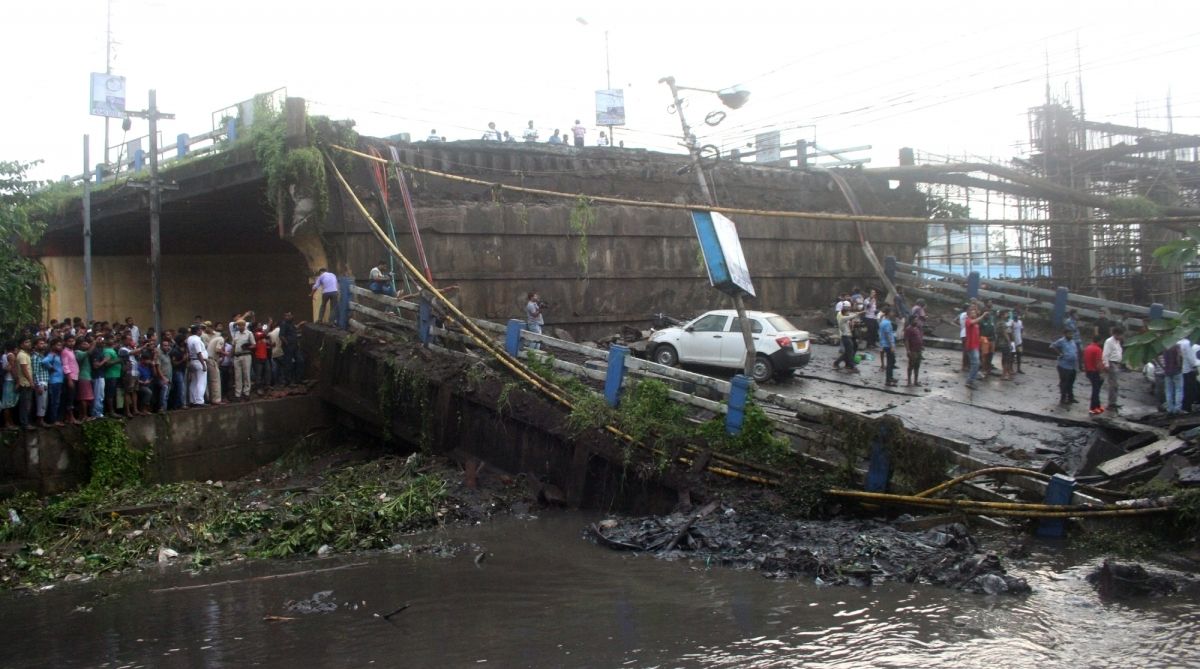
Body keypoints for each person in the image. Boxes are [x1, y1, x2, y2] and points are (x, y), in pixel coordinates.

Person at [1051, 328, 1079, 406]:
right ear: (1065, 334)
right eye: (1069, 334)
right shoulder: (1061, 341)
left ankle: (1070, 397)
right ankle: (1063, 398)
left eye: (1072, 334)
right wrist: (1060, 354)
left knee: (1071, 382)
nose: (1071, 335)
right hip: (1064, 366)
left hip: (1072, 366)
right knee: (1064, 382)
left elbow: (1075, 352)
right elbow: (1052, 346)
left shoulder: (1073, 341)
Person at [834, 303, 864, 372]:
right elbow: (851, 316)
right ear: (845, 312)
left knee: (848, 352)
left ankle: (837, 363)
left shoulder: (845, 319)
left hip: (848, 337)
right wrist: (858, 313)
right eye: (847, 312)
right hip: (846, 337)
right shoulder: (843, 318)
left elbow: (851, 318)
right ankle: (852, 366)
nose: (848, 313)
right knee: (850, 352)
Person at [1101, 326, 1125, 414]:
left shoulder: (1118, 342)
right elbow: (1105, 354)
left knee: (1115, 385)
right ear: (1116, 334)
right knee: (1113, 385)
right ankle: (1111, 403)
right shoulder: (1109, 341)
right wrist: (1106, 365)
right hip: (1112, 363)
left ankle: (1113, 402)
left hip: (1116, 363)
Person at [41, 339, 64, 427]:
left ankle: (54, 419)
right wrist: (51, 368)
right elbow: (44, 361)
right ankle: (53, 420)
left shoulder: (58, 355)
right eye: (58, 345)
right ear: (53, 346)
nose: (60, 347)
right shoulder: (52, 355)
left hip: (59, 381)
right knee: (55, 401)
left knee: (56, 401)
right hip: (54, 381)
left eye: (60, 345)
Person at [230, 320, 255, 400]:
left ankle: (246, 393)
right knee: (237, 376)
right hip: (237, 356)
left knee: (246, 374)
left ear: (244, 325)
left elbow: (254, 345)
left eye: (241, 325)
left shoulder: (249, 333)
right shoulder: (236, 334)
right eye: (238, 325)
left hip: (246, 355)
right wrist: (232, 355)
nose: (240, 326)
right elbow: (233, 345)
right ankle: (238, 394)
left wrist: (248, 347)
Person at [185, 325, 208, 406]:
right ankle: (199, 401)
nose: (201, 331)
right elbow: (199, 353)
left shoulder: (189, 339)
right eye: (201, 329)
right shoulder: (197, 340)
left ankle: (192, 400)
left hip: (192, 360)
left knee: (194, 381)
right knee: (201, 382)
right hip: (199, 361)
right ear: (198, 331)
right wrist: (203, 365)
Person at [1083, 335, 1105, 415]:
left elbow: (1084, 360)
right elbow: (1098, 362)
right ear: (1099, 341)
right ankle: (1092, 408)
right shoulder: (1098, 349)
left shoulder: (1087, 348)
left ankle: (1098, 406)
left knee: (1096, 389)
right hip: (1095, 372)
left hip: (1089, 370)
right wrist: (1101, 373)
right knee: (1096, 390)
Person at [963, 305, 984, 389]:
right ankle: (969, 381)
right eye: (972, 313)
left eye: (974, 313)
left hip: (975, 346)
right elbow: (973, 322)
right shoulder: (968, 321)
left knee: (975, 364)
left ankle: (971, 380)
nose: (973, 314)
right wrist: (982, 316)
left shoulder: (976, 324)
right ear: (969, 314)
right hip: (971, 346)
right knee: (975, 364)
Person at [15, 338, 34, 430]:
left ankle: (26, 422)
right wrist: (31, 381)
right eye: (26, 342)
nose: (29, 343)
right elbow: (24, 369)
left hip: (27, 383)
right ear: (21, 345)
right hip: (25, 383)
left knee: (27, 404)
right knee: (25, 404)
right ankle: (25, 424)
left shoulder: (25, 354)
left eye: (29, 342)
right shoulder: (22, 355)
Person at [75, 338, 95, 421]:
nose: (87, 345)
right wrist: (94, 343)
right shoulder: (78, 352)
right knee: (84, 397)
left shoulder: (83, 353)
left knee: (86, 398)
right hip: (83, 377)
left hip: (86, 376)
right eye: (84, 344)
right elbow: (89, 352)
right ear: (79, 345)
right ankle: (84, 416)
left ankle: (83, 415)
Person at [1163, 340, 1185, 415]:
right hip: (1176, 371)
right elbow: (1179, 358)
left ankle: (1170, 408)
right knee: (1178, 390)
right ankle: (1177, 409)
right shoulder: (1176, 346)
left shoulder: (1165, 347)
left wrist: (1163, 367)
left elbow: (1163, 359)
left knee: (1168, 391)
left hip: (1167, 371)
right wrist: (1180, 367)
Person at [206, 325, 225, 405]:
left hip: (208, 359)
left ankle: (211, 399)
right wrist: (226, 353)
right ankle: (216, 400)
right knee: (215, 380)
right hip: (212, 360)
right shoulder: (221, 339)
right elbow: (218, 350)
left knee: (210, 381)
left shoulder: (214, 339)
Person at [878, 307, 897, 386]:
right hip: (888, 345)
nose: (893, 314)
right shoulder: (887, 323)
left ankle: (890, 377)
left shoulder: (883, 322)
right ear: (889, 313)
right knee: (890, 363)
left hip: (884, 344)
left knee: (892, 361)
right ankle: (888, 380)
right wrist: (892, 345)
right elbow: (888, 335)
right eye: (892, 312)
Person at [1179, 335, 1198, 412]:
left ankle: (1181, 406)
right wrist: (1194, 366)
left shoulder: (1176, 343)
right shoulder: (1187, 343)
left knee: (1181, 389)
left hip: (1179, 370)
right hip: (1187, 370)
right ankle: (1187, 407)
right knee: (1189, 390)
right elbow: (1191, 358)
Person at [904, 317, 924, 387]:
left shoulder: (917, 328)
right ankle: (909, 381)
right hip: (913, 350)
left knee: (917, 366)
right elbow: (906, 340)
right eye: (915, 320)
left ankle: (916, 381)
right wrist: (908, 350)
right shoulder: (908, 329)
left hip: (918, 350)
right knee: (911, 365)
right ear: (911, 320)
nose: (917, 321)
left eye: (917, 320)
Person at [0, 342, 16, 429]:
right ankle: (8, 423)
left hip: (5, 380)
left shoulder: (3, 356)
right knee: (8, 404)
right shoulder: (11, 355)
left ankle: (9, 422)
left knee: (7, 404)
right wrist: (17, 380)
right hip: (10, 381)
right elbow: (12, 369)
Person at [995, 308, 1014, 381]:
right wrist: (1009, 342)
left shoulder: (1000, 322)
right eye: (1006, 313)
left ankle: (1005, 373)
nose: (1008, 315)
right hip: (1004, 343)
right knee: (1007, 359)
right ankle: (1005, 374)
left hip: (1001, 342)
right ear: (1003, 315)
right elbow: (1005, 333)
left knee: (1005, 358)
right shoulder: (1002, 323)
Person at [155, 339, 172, 413]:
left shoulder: (167, 354)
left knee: (167, 395)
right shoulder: (159, 355)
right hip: (162, 378)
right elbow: (158, 367)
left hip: (169, 378)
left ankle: (165, 408)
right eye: (165, 345)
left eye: (168, 345)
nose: (167, 347)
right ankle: (162, 408)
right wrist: (163, 378)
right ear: (161, 346)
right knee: (164, 391)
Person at [1011, 310, 1025, 374]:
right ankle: (1011, 369)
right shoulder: (1011, 322)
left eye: (1016, 314)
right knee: (1012, 355)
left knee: (1019, 355)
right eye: (1014, 314)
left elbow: (1022, 329)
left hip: (1019, 342)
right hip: (1013, 342)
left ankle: (1019, 369)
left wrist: (1021, 337)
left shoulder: (1020, 322)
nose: (1015, 315)